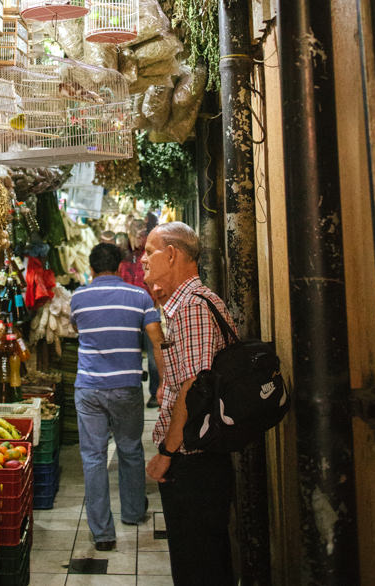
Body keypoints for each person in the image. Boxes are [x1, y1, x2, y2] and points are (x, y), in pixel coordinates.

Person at [142, 222, 236, 586]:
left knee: (199, 564)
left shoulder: (193, 308)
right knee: (198, 559)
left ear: (172, 254)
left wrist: (168, 451)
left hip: (195, 460)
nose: (144, 262)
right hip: (195, 457)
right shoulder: (183, 305)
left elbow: (193, 387)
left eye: (149, 252)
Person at [70, 242, 163, 551]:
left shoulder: (78, 298)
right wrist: (164, 382)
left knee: (93, 457)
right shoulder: (140, 297)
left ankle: (102, 533)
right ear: (122, 266)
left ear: (92, 268)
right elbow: (156, 340)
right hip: (127, 387)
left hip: (90, 387)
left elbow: (77, 330)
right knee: (130, 449)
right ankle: (134, 513)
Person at [118, 224, 160, 407]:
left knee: (153, 357)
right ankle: (128, 394)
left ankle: (154, 393)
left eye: (141, 235)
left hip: (149, 308)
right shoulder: (123, 260)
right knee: (129, 354)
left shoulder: (149, 256)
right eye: (134, 234)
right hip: (128, 312)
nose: (137, 238)